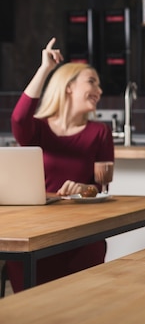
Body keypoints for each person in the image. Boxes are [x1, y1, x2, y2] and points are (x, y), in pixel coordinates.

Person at [7, 37, 114, 292]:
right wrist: (44, 69)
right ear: (68, 87)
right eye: (92, 82)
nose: (99, 90)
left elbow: (101, 188)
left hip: (80, 234)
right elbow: (19, 118)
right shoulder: (38, 131)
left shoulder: (100, 132)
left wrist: (82, 188)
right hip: (35, 231)